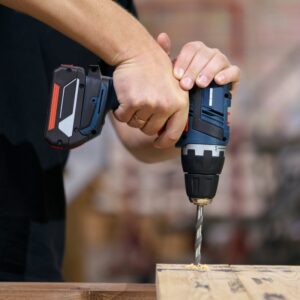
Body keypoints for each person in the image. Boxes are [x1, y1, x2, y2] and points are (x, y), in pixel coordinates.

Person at [0, 0, 240, 281]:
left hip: (29, 250)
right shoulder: (124, 34)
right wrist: (138, 49)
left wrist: (184, 103)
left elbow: (135, 131)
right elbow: (132, 53)